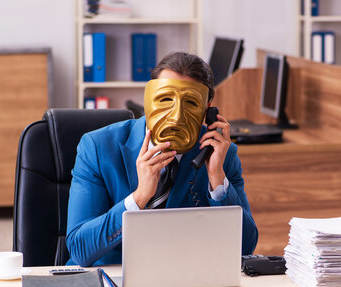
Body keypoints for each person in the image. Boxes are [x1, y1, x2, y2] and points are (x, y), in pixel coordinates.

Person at [66, 52, 258, 268]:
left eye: (191, 103)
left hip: (184, 281)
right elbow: (80, 249)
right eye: (166, 99)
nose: (176, 117)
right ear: (149, 99)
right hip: (112, 280)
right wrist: (139, 198)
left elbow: (246, 248)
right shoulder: (97, 147)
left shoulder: (221, 153)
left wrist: (217, 179)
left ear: (208, 108)